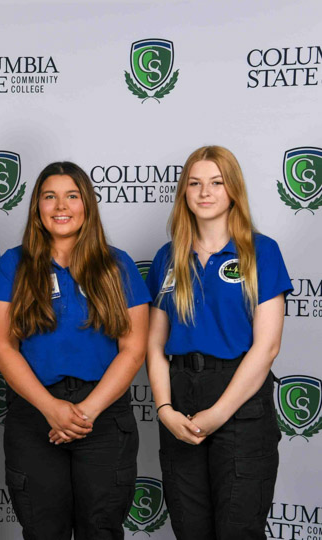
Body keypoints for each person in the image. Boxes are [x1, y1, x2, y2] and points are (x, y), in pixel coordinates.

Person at [0, 161, 150, 539]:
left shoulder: (117, 264)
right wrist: (51, 409)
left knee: (101, 528)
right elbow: (2, 346)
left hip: (104, 416)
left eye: (72, 196)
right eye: (50, 196)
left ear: (87, 204)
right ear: (37, 207)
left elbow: (133, 349)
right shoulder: (14, 264)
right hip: (35, 415)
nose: (61, 206)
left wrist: (84, 413)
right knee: (44, 530)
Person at [146, 146, 292, 539]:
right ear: (184, 193)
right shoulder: (167, 258)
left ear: (233, 190)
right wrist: (163, 409)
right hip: (180, 400)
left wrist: (219, 413)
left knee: (237, 529)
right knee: (190, 528)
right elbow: (155, 346)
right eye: (194, 183)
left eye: (216, 182)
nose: (204, 192)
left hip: (240, 400)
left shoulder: (261, 251)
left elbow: (267, 347)